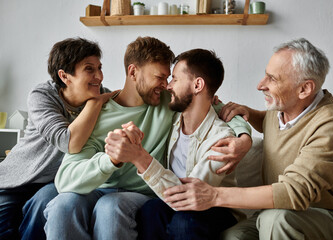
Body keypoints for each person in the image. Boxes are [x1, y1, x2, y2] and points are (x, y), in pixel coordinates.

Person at [44, 36, 252, 240]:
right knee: (62, 206)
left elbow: (213, 107)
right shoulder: (95, 114)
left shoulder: (169, 102)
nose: (166, 84)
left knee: (111, 207)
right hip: (98, 188)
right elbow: (65, 180)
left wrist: (244, 137)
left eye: (169, 78)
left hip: (143, 193)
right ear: (133, 71)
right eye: (159, 77)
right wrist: (111, 160)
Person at [162, 38, 333, 240]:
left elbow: (294, 192)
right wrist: (246, 118)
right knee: (232, 237)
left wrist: (214, 195)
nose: (260, 85)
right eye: (266, 74)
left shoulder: (331, 123)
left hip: (325, 215)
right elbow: (269, 123)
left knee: (277, 220)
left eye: (273, 79)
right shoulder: (282, 108)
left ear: (304, 89)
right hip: (272, 211)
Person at [105, 48, 251, 240]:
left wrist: (140, 157)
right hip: (176, 201)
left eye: (174, 78)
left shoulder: (222, 139)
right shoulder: (172, 118)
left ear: (198, 85)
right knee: (151, 210)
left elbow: (190, 196)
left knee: (185, 222)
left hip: (214, 207)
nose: (168, 86)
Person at [0, 38, 115, 240]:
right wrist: (94, 104)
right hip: (15, 182)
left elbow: (130, 101)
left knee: (48, 200)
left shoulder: (102, 97)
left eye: (99, 67)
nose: (99, 76)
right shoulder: (43, 95)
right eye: (89, 69)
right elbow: (68, 142)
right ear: (64, 76)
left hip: (56, 182)